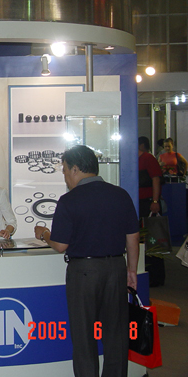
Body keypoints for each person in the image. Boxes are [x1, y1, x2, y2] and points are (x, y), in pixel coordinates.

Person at [34, 145, 139, 377]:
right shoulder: (120, 195)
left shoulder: (69, 200)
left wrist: (44, 234)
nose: (65, 176)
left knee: (84, 337)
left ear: (75, 169)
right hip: (116, 268)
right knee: (116, 335)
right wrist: (131, 270)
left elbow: (60, 245)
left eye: (64, 170)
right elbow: (132, 236)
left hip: (84, 272)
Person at [139, 136, 166, 287]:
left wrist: (155, 201)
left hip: (149, 203)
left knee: (153, 240)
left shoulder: (148, 159)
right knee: (142, 240)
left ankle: (156, 276)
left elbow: (156, 179)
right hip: (139, 203)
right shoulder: (134, 159)